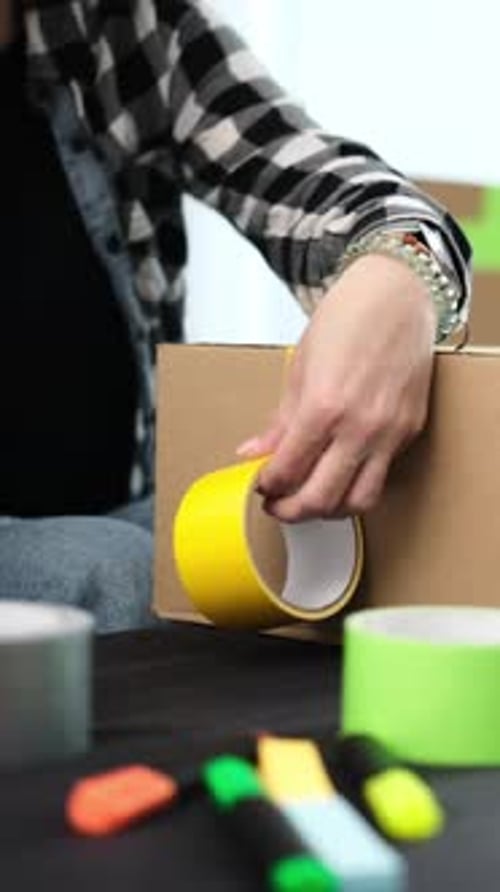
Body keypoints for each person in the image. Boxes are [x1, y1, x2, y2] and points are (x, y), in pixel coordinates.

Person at [0, 0, 470, 632]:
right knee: (122, 572)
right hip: (103, 559)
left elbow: (341, 189)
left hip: (125, 504)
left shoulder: (126, 27)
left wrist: (400, 275)